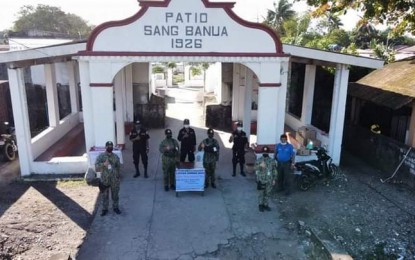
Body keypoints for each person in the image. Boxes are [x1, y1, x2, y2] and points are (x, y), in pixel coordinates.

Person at [95, 141, 122, 216]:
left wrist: (118, 176)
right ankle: (105, 209)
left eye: (111, 146)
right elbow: (96, 167)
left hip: (114, 179)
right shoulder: (101, 156)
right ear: (105, 147)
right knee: (105, 195)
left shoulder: (116, 157)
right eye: (108, 146)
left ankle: (115, 207)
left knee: (115, 195)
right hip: (105, 179)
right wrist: (103, 164)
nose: (110, 147)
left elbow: (118, 167)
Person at [255, 146, 277, 212]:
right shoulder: (259, 160)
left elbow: (274, 170)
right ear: (262, 152)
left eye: (266, 152)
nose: (265, 153)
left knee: (268, 193)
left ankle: (266, 205)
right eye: (264, 152)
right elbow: (254, 168)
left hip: (269, 180)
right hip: (261, 180)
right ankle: (260, 205)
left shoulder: (272, 161)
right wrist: (259, 166)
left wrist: (274, 179)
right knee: (261, 194)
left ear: (268, 152)